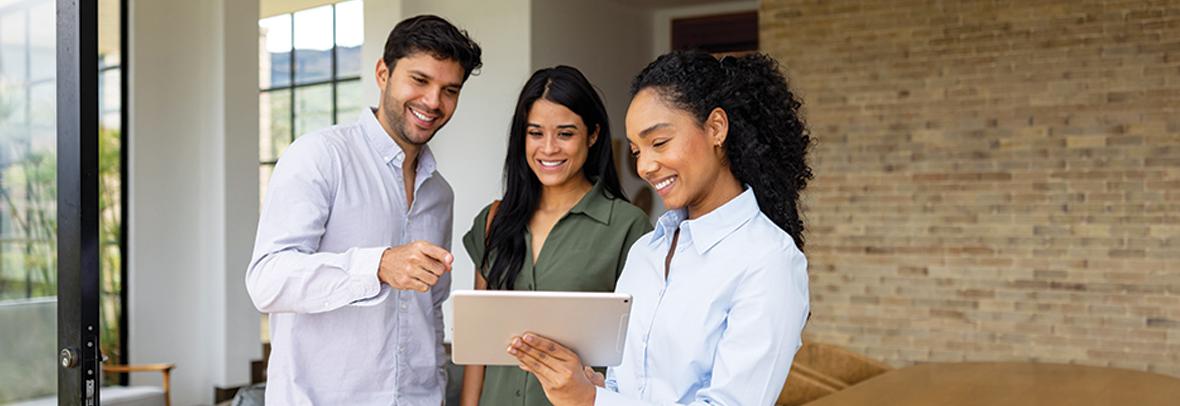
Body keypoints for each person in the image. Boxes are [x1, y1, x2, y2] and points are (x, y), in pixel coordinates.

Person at [506, 50, 814, 405]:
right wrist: (591, 384)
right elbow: (631, 388)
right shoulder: (646, 252)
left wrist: (591, 400)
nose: (646, 166)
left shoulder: (768, 260)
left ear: (716, 128)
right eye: (636, 151)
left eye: (659, 142)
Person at [245, 15, 481, 405]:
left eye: (450, 90)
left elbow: (431, 310)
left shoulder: (441, 194)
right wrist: (377, 266)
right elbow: (267, 281)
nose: (433, 102)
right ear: (383, 73)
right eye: (419, 80)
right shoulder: (320, 156)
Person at [460, 66, 653, 406]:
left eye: (565, 134)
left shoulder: (628, 227)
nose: (548, 149)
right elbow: (478, 349)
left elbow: (640, 352)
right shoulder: (493, 221)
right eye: (536, 133)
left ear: (592, 135)